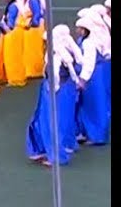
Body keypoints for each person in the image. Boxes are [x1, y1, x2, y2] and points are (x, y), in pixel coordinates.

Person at [25, 25, 82, 166]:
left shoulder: (56, 56)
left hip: (55, 91)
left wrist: (53, 87)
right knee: (64, 119)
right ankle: (64, 147)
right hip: (67, 89)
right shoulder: (70, 51)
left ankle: (55, 155)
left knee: (50, 122)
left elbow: (54, 75)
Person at [74, 12, 109, 146]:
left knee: (93, 104)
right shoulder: (87, 40)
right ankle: (88, 132)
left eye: (79, 28)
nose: (77, 30)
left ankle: (96, 136)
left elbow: (89, 63)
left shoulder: (89, 43)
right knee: (88, 104)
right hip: (93, 76)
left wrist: (82, 79)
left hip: (92, 77)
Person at [0, 0, 28, 87]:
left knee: (12, 56)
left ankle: (15, 79)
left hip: (13, 34)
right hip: (15, 33)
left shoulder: (13, 6)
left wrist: (2, 28)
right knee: (16, 55)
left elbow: (11, 23)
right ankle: (16, 77)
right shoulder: (14, 5)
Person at [21, 0, 47, 80]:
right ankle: (34, 70)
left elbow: (36, 14)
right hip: (35, 27)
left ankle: (35, 71)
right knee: (33, 49)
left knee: (33, 49)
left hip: (34, 28)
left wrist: (31, 24)